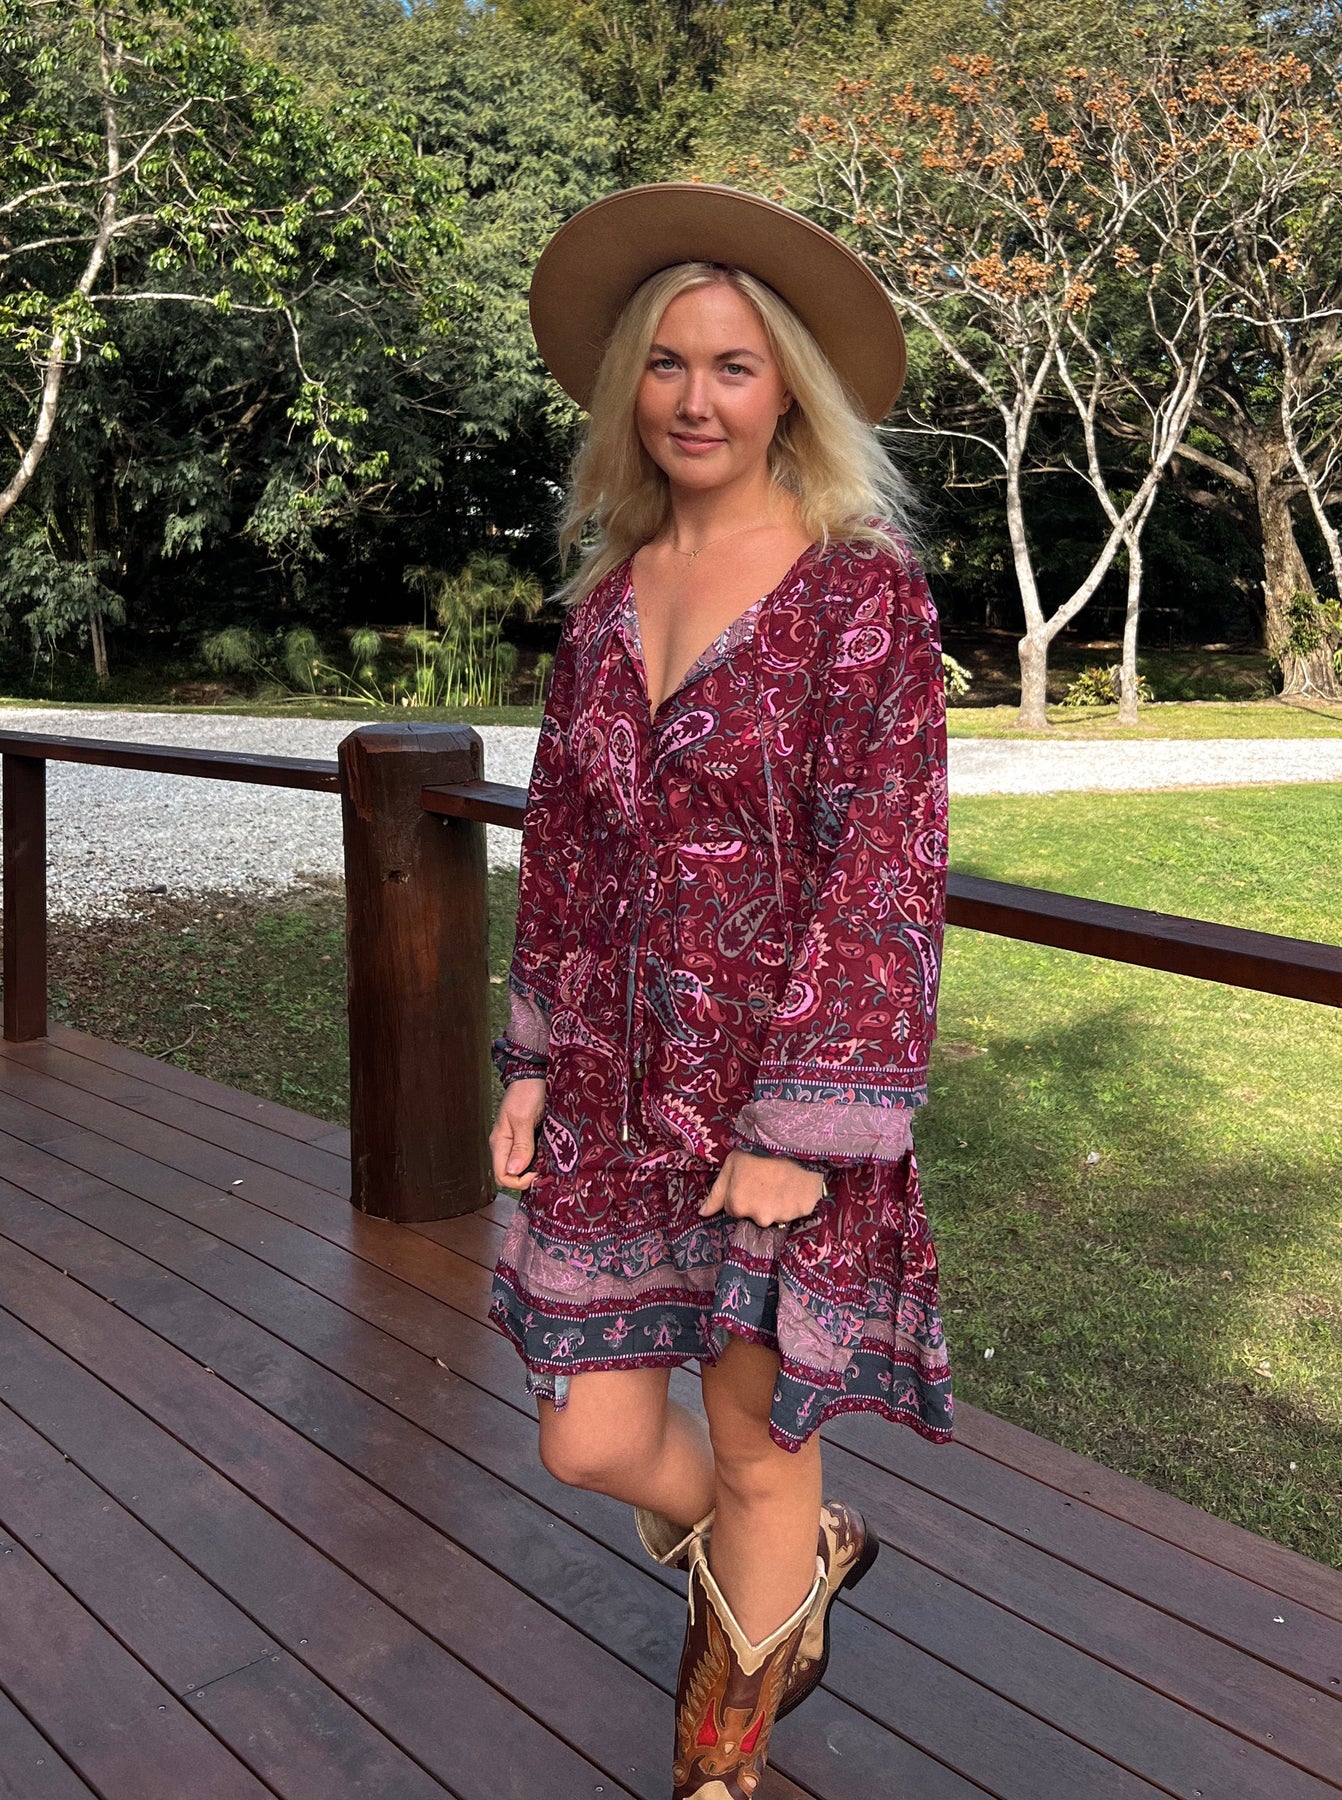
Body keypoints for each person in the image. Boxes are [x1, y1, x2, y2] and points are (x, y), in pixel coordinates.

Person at [487, 181, 952, 1800]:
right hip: (611, 1092)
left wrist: (802, 1127)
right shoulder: (605, 600)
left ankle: (718, 1767)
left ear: (787, 393)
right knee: (591, 1438)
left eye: (733, 367)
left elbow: (885, 868)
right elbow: (563, 852)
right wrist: (530, 1060)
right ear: (630, 387)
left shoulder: (857, 592)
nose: (695, 398)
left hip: (772, 1100)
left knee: (755, 1451)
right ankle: (798, 1557)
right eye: (668, 365)